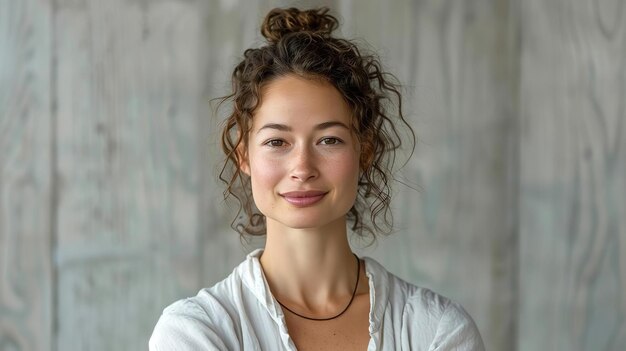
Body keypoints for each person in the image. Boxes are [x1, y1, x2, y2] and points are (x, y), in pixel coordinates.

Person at [150, 7, 485, 351]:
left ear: (364, 151)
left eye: (329, 140)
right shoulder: (195, 332)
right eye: (277, 142)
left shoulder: (436, 330)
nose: (302, 167)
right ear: (244, 155)